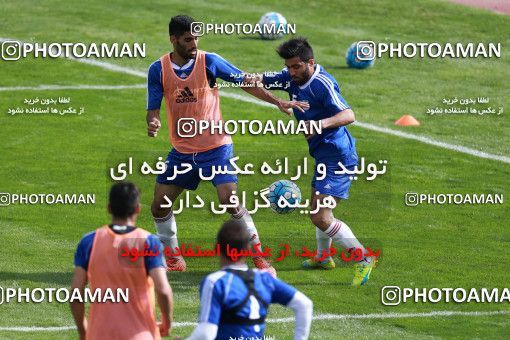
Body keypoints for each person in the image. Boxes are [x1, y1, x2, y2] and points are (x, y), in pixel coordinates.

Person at [146, 15, 308, 274]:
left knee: (229, 200)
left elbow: (245, 82)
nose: (194, 44)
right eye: (188, 39)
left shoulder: (209, 62)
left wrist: (277, 101)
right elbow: (152, 109)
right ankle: (174, 259)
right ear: (173, 39)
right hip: (182, 152)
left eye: (197, 38)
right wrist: (153, 122)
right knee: (160, 204)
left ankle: (260, 260)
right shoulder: (158, 70)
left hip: (216, 147)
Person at [261, 37, 376, 286]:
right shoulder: (290, 77)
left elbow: (349, 114)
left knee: (320, 216)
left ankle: (363, 258)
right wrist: (224, 75)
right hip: (323, 155)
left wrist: (320, 124)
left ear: (310, 63)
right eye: (288, 67)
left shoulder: (322, 83)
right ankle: (323, 258)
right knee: (317, 208)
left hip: (338, 157)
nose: (291, 72)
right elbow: (259, 79)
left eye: (296, 67)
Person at [70, 182, 173, 339]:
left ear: (109, 208)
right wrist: (167, 323)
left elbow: (76, 292)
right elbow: (163, 290)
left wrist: (83, 331)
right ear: (137, 209)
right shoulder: (148, 242)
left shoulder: (89, 241)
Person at [186, 219, 313, 340]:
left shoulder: (216, 282)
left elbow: (206, 333)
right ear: (247, 250)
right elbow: (305, 304)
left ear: (217, 248)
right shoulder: (264, 279)